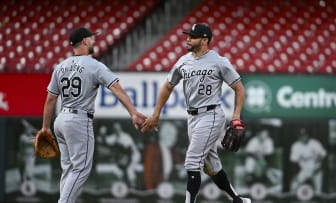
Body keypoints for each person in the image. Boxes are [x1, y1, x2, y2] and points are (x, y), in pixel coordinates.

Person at [141, 23, 250, 203]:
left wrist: (236, 116)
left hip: (211, 115)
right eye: (188, 36)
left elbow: (239, 88)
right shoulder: (183, 61)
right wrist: (156, 114)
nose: (187, 39)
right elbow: (167, 87)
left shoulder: (219, 61)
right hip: (192, 117)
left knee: (192, 161)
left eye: (192, 37)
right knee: (210, 165)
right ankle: (238, 200)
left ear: (204, 40)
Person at [39, 27, 146, 203]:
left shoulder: (61, 66)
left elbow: (51, 99)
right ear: (85, 41)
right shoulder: (94, 65)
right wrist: (133, 112)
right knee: (81, 169)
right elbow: (117, 88)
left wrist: (45, 127)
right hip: (79, 120)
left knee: (68, 169)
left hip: (60, 120)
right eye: (91, 38)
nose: (94, 41)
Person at [289, 127, 326, 193]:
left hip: (316, 171)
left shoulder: (315, 143)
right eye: (301, 135)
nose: (303, 137)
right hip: (304, 171)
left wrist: (319, 165)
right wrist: (294, 175)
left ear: (308, 135)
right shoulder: (295, 146)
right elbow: (294, 162)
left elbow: (323, 154)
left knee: (318, 191)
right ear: (298, 137)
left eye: (305, 135)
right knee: (293, 186)